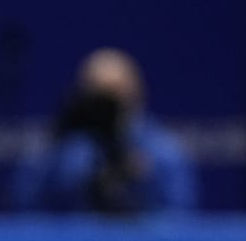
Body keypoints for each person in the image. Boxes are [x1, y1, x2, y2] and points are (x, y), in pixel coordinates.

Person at [11, 47, 196, 215]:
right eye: (98, 92)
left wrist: (144, 180)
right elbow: (26, 209)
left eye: (116, 91)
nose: (108, 102)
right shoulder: (54, 150)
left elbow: (178, 219)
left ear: (136, 92)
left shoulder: (163, 152)